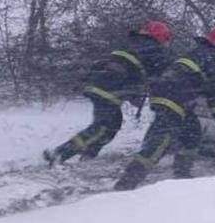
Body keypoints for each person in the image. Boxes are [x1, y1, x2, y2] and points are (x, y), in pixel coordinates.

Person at [114, 24, 215, 191]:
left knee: (192, 133)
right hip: (174, 98)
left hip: (169, 94)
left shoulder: (199, 52)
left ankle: (182, 174)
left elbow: (198, 79)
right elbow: (213, 92)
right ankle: (128, 182)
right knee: (160, 142)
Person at [43, 21, 173, 165]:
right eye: (165, 39)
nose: (165, 44)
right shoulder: (152, 49)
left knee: (111, 125)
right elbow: (162, 70)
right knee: (104, 127)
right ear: (160, 36)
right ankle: (60, 153)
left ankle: (87, 156)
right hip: (109, 90)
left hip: (101, 86)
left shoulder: (133, 43)